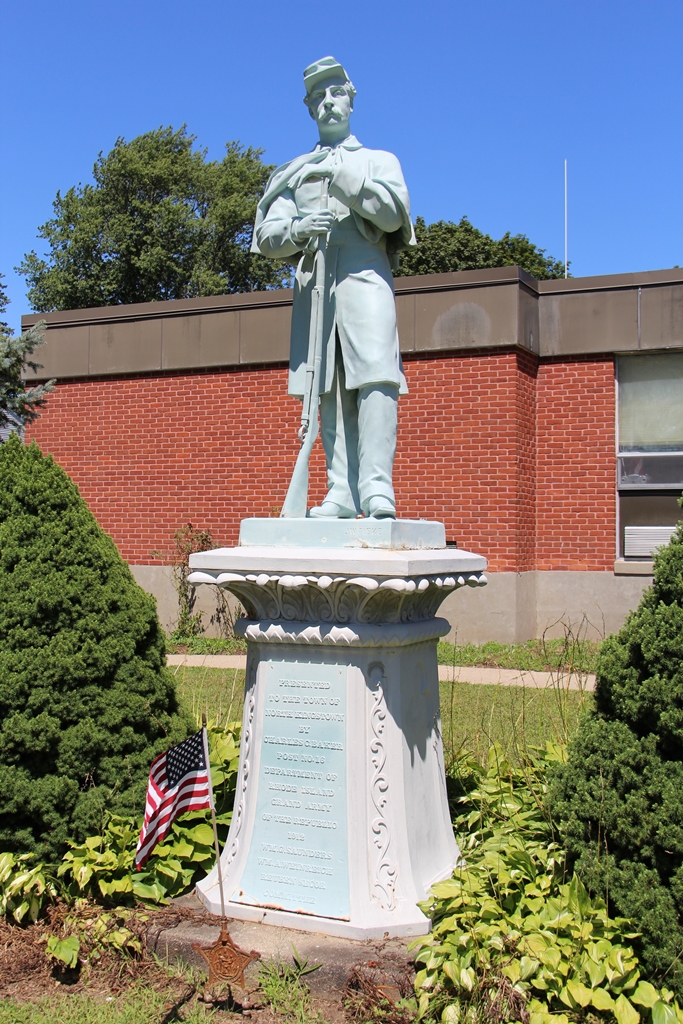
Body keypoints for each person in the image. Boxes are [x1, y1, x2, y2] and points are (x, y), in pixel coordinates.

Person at [251, 56, 415, 519]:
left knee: (377, 375)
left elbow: (391, 215)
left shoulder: (378, 160)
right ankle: (340, 491)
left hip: (365, 272)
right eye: (318, 96)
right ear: (309, 108)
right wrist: (301, 227)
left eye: (335, 92)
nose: (328, 102)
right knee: (326, 385)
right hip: (316, 281)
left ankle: (377, 487)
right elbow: (267, 237)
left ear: (351, 98)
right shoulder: (293, 170)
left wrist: (341, 178)